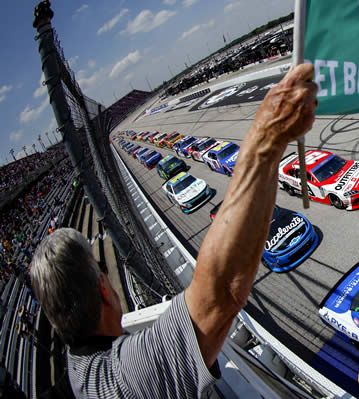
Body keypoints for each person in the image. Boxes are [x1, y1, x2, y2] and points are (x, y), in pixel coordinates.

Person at [29, 63, 318, 399]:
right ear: (104, 289)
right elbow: (222, 291)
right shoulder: (124, 378)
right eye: (101, 269)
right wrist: (267, 138)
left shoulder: (78, 377)